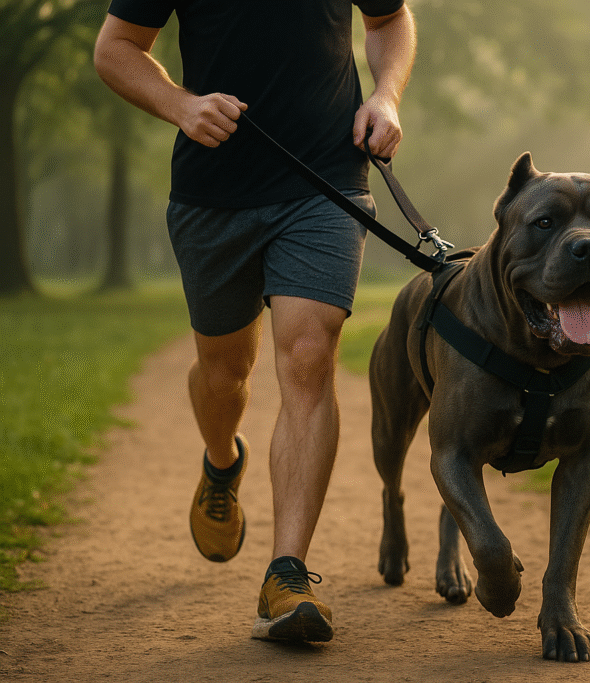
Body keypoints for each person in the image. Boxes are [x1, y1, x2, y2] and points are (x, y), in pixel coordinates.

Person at [93, 0, 416, 644]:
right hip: (213, 193)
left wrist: (385, 96)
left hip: (325, 181)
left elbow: (389, 21)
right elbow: (115, 49)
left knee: (308, 358)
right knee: (224, 371)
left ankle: (286, 577)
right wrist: (181, 106)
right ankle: (221, 462)